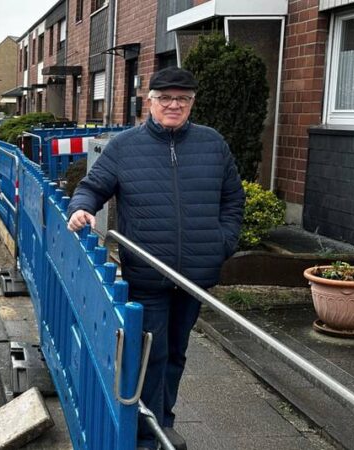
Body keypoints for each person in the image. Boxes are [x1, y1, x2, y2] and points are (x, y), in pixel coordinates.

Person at [67, 67, 245, 450]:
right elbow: (92, 186)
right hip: (147, 275)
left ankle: (163, 423)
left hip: (195, 275)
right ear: (149, 101)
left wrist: (223, 242)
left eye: (182, 98)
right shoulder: (125, 146)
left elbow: (233, 199)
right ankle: (148, 435)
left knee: (176, 354)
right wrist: (81, 208)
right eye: (165, 98)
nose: (174, 105)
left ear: (192, 103)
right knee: (151, 355)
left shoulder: (213, 144)